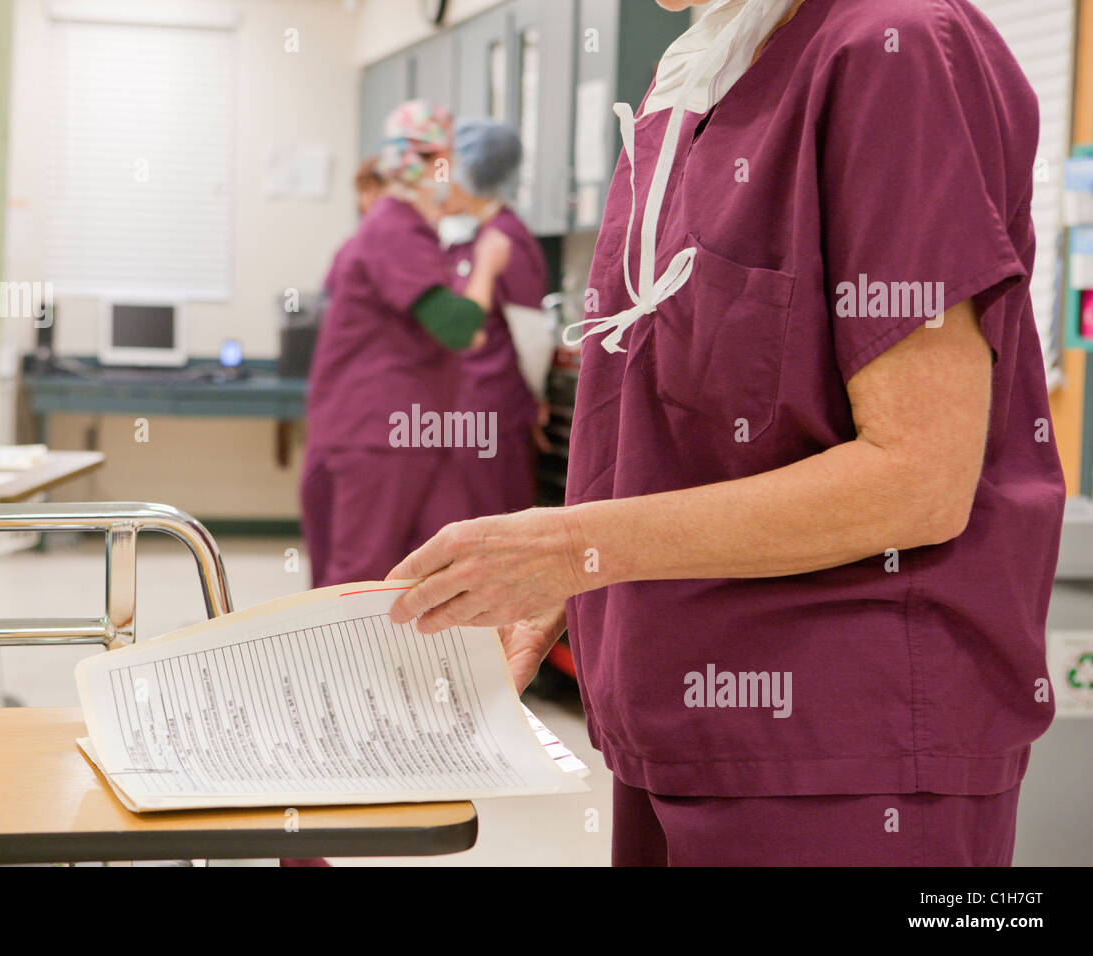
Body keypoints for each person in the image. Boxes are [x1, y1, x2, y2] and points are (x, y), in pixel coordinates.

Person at [387, 0, 1064, 866]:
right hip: (671, 722)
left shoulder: (894, 47)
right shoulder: (704, 76)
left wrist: (569, 545)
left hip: (842, 754)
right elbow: (699, 419)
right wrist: (569, 588)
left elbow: (918, 479)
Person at [301, 100, 512, 589]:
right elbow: (458, 328)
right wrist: (485, 266)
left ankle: (424, 668)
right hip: (380, 432)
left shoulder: (403, 230)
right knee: (362, 577)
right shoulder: (395, 228)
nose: (456, 171)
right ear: (430, 161)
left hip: (408, 428)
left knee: (426, 571)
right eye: (451, 157)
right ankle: (346, 667)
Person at [441, 119, 549, 519]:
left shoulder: (507, 239)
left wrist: (533, 398)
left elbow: (531, 337)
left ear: (470, 176)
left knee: (493, 521)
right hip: (466, 406)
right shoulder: (475, 238)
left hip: (494, 409)